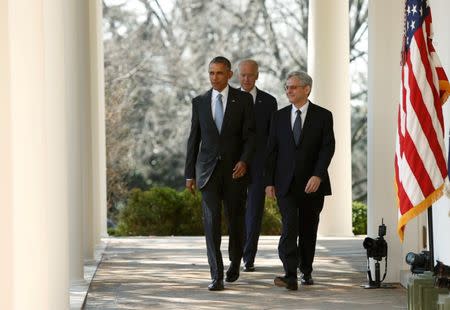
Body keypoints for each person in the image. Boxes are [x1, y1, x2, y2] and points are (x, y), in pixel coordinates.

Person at [185, 56, 255, 291]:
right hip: (208, 174)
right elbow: (193, 140)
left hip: (236, 173)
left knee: (236, 222)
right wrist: (189, 174)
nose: (215, 78)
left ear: (229, 74)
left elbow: (251, 137)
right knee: (211, 223)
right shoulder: (199, 102)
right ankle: (216, 275)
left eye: (219, 73)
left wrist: (244, 161)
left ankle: (235, 262)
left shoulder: (243, 100)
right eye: (211, 73)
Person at [264, 71, 335, 290]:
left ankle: (306, 270)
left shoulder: (323, 115)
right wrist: (269, 182)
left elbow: (327, 148)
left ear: (307, 89)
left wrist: (318, 175)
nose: (289, 91)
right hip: (285, 183)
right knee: (289, 228)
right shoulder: (279, 116)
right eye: (287, 87)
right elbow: (271, 151)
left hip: (312, 184)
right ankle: (290, 274)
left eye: (293, 87)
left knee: (308, 228)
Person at [238, 59, 277, 272]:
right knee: (236, 212)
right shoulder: (230, 99)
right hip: (235, 167)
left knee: (254, 213)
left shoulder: (269, 102)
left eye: (250, 75)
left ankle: (248, 257)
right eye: (243, 75)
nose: (246, 79)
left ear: (257, 76)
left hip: (259, 168)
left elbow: (272, 140)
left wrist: (271, 174)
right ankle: (236, 253)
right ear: (237, 75)